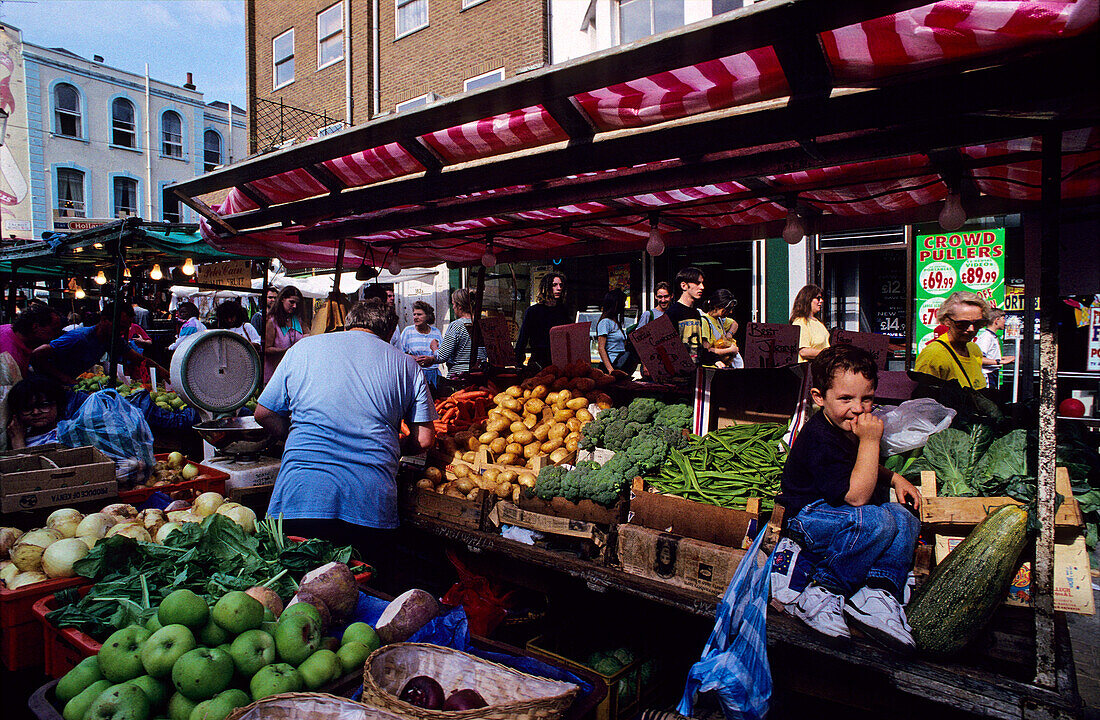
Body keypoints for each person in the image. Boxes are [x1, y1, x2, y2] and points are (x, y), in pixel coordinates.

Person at [253, 299, 436, 571]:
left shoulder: (302, 348)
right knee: (359, 598)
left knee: (295, 596)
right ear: (388, 334)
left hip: (300, 498)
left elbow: (263, 414)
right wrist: (393, 447)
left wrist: (298, 435)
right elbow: (423, 439)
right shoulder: (407, 365)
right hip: (370, 505)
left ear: (348, 323)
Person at [779, 345, 922, 649]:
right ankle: (822, 591)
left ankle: (877, 593)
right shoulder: (819, 436)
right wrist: (871, 440)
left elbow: (860, 467)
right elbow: (856, 497)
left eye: (866, 399)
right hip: (808, 517)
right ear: (819, 398)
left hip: (838, 517)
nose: (858, 408)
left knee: (903, 517)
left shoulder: (844, 426)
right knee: (876, 519)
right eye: (846, 399)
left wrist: (895, 477)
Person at [32, 303, 167, 386]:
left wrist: (164, 372)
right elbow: (37, 354)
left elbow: (139, 359)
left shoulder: (113, 339)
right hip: (46, 383)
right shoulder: (79, 337)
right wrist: (65, 378)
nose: (123, 331)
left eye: (126, 328)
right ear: (104, 320)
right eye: (120, 326)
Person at [914, 291, 990, 390]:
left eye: (978, 323)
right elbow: (923, 400)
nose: (971, 329)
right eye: (962, 324)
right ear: (947, 321)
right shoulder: (933, 354)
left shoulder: (974, 349)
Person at [421, 289, 487, 378]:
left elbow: (442, 356)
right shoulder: (484, 323)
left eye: (453, 304)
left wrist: (434, 347)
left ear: (459, 306)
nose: (453, 307)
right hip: (482, 373)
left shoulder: (457, 325)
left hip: (460, 376)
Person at [514, 272, 570, 369]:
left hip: (560, 362)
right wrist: (518, 362)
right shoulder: (533, 311)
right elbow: (523, 338)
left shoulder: (563, 311)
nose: (559, 288)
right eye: (554, 285)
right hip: (538, 362)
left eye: (561, 285)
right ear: (546, 287)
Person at [0, 303, 63, 378]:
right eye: (54, 329)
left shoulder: (8, 329)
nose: (56, 335)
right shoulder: (9, 360)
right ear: (35, 327)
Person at [264, 285, 309, 385]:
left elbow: (308, 336)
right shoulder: (272, 321)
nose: (294, 306)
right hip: (274, 375)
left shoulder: (299, 320)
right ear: (282, 299)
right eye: (291, 302)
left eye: (297, 303)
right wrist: (287, 350)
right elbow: (266, 348)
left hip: (294, 374)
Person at [6, 374, 66, 448]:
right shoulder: (20, 434)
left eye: (43, 406)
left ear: (58, 404)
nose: (35, 412)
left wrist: (18, 442)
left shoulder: (64, 434)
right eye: (27, 408)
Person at [664, 266, 705, 363]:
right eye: (697, 283)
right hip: (678, 372)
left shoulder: (696, 313)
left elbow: (699, 346)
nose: (702, 287)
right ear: (684, 286)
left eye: (702, 283)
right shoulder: (672, 313)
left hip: (696, 369)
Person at [399, 301, 443, 388]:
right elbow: (400, 352)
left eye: (419, 314)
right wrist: (413, 358)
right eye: (414, 314)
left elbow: (442, 354)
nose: (415, 317)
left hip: (432, 375)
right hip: (414, 374)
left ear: (428, 316)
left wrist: (431, 359)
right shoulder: (408, 331)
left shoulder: (436, 332)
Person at [700, 289, 743, 369]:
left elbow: (734, 324)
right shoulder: (705, 322)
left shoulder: (720, 319)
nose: (730, 312)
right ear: (717, 306)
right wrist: (731, 350)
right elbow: (707, 350)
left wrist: (729, 334)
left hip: (723, 366)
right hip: (712, 368)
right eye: (727, 309)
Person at [974, 307, 1014, 389]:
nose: (1005, 322)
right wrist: (999, 362)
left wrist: (1004, 358)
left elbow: (989, 356)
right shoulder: (986, 337)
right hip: (987, 375)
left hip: (992, 374)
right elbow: (979, 358)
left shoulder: (992, 336)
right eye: (1003, 319)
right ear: (996, 320)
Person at [790, 284, 830, 362]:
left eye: (821, 298)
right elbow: (803, 351)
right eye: (818, 298)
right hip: (808, 371)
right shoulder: (801, 322)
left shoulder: (818, 323)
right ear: (808, 299)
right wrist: (828, 354)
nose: (821, 301)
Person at [595, 290, 632, 374]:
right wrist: (611, 370)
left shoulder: (616, 322)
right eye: (623, 302)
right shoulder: (605, 322)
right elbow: (601, 348)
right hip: (610, 366)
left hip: (619, 365)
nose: (624, 305)